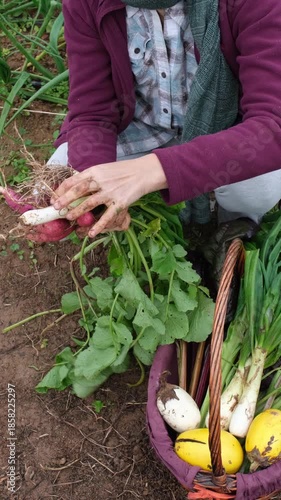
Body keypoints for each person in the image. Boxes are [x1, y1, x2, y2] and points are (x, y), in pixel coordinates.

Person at [46, 0, 281, 240]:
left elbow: (273, 125)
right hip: (142, 126)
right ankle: (135, 223)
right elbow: (93, 111)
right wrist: (94, 191)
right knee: (62, 171)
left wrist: (152, 171)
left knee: (258, 188)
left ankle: (236, 223)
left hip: (226, 130)